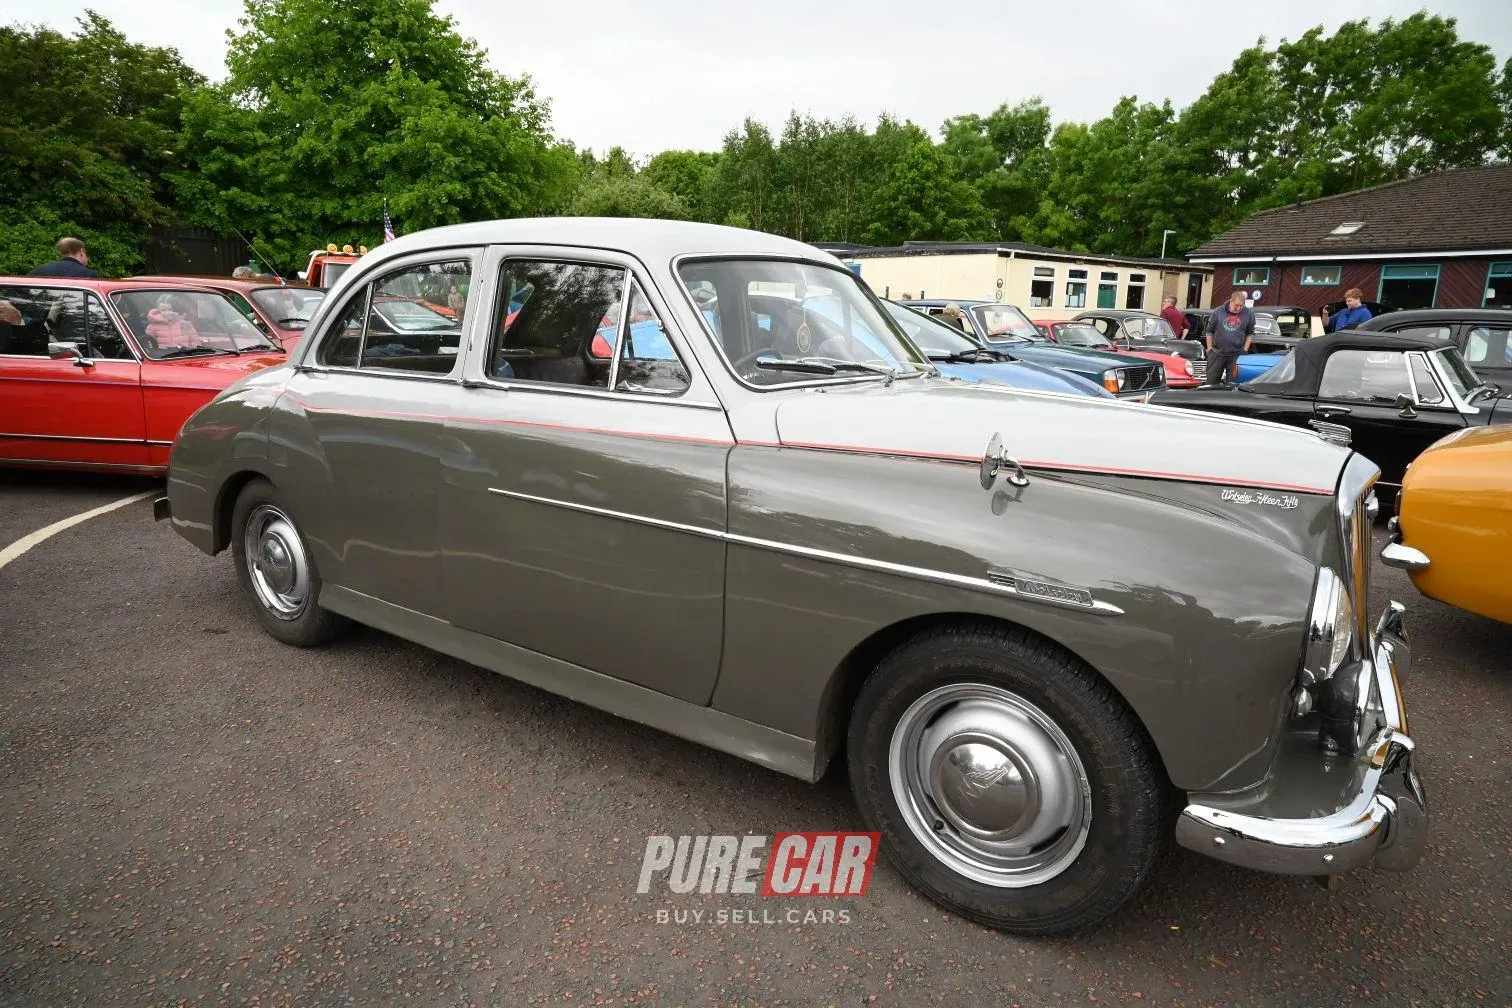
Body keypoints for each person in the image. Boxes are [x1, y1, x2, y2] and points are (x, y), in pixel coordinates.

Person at [1205, 290, 1254, 386]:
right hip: (1216, 354)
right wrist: (1209, 348)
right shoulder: (1218, 312)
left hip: (1236, 355)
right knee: (1210, 384)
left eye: (1241, 305)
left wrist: (1245, 349)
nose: (1239, 308)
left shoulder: (1248, 313)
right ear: (1231, 301)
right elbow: (1209, 331)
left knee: (1233, 385)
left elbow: (1250, 333)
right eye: (1237, 305)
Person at [29, 236, 100, 278]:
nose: (87, 259)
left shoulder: (40, 271)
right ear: (81, 251)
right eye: (86, 254)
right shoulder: (90, 275)